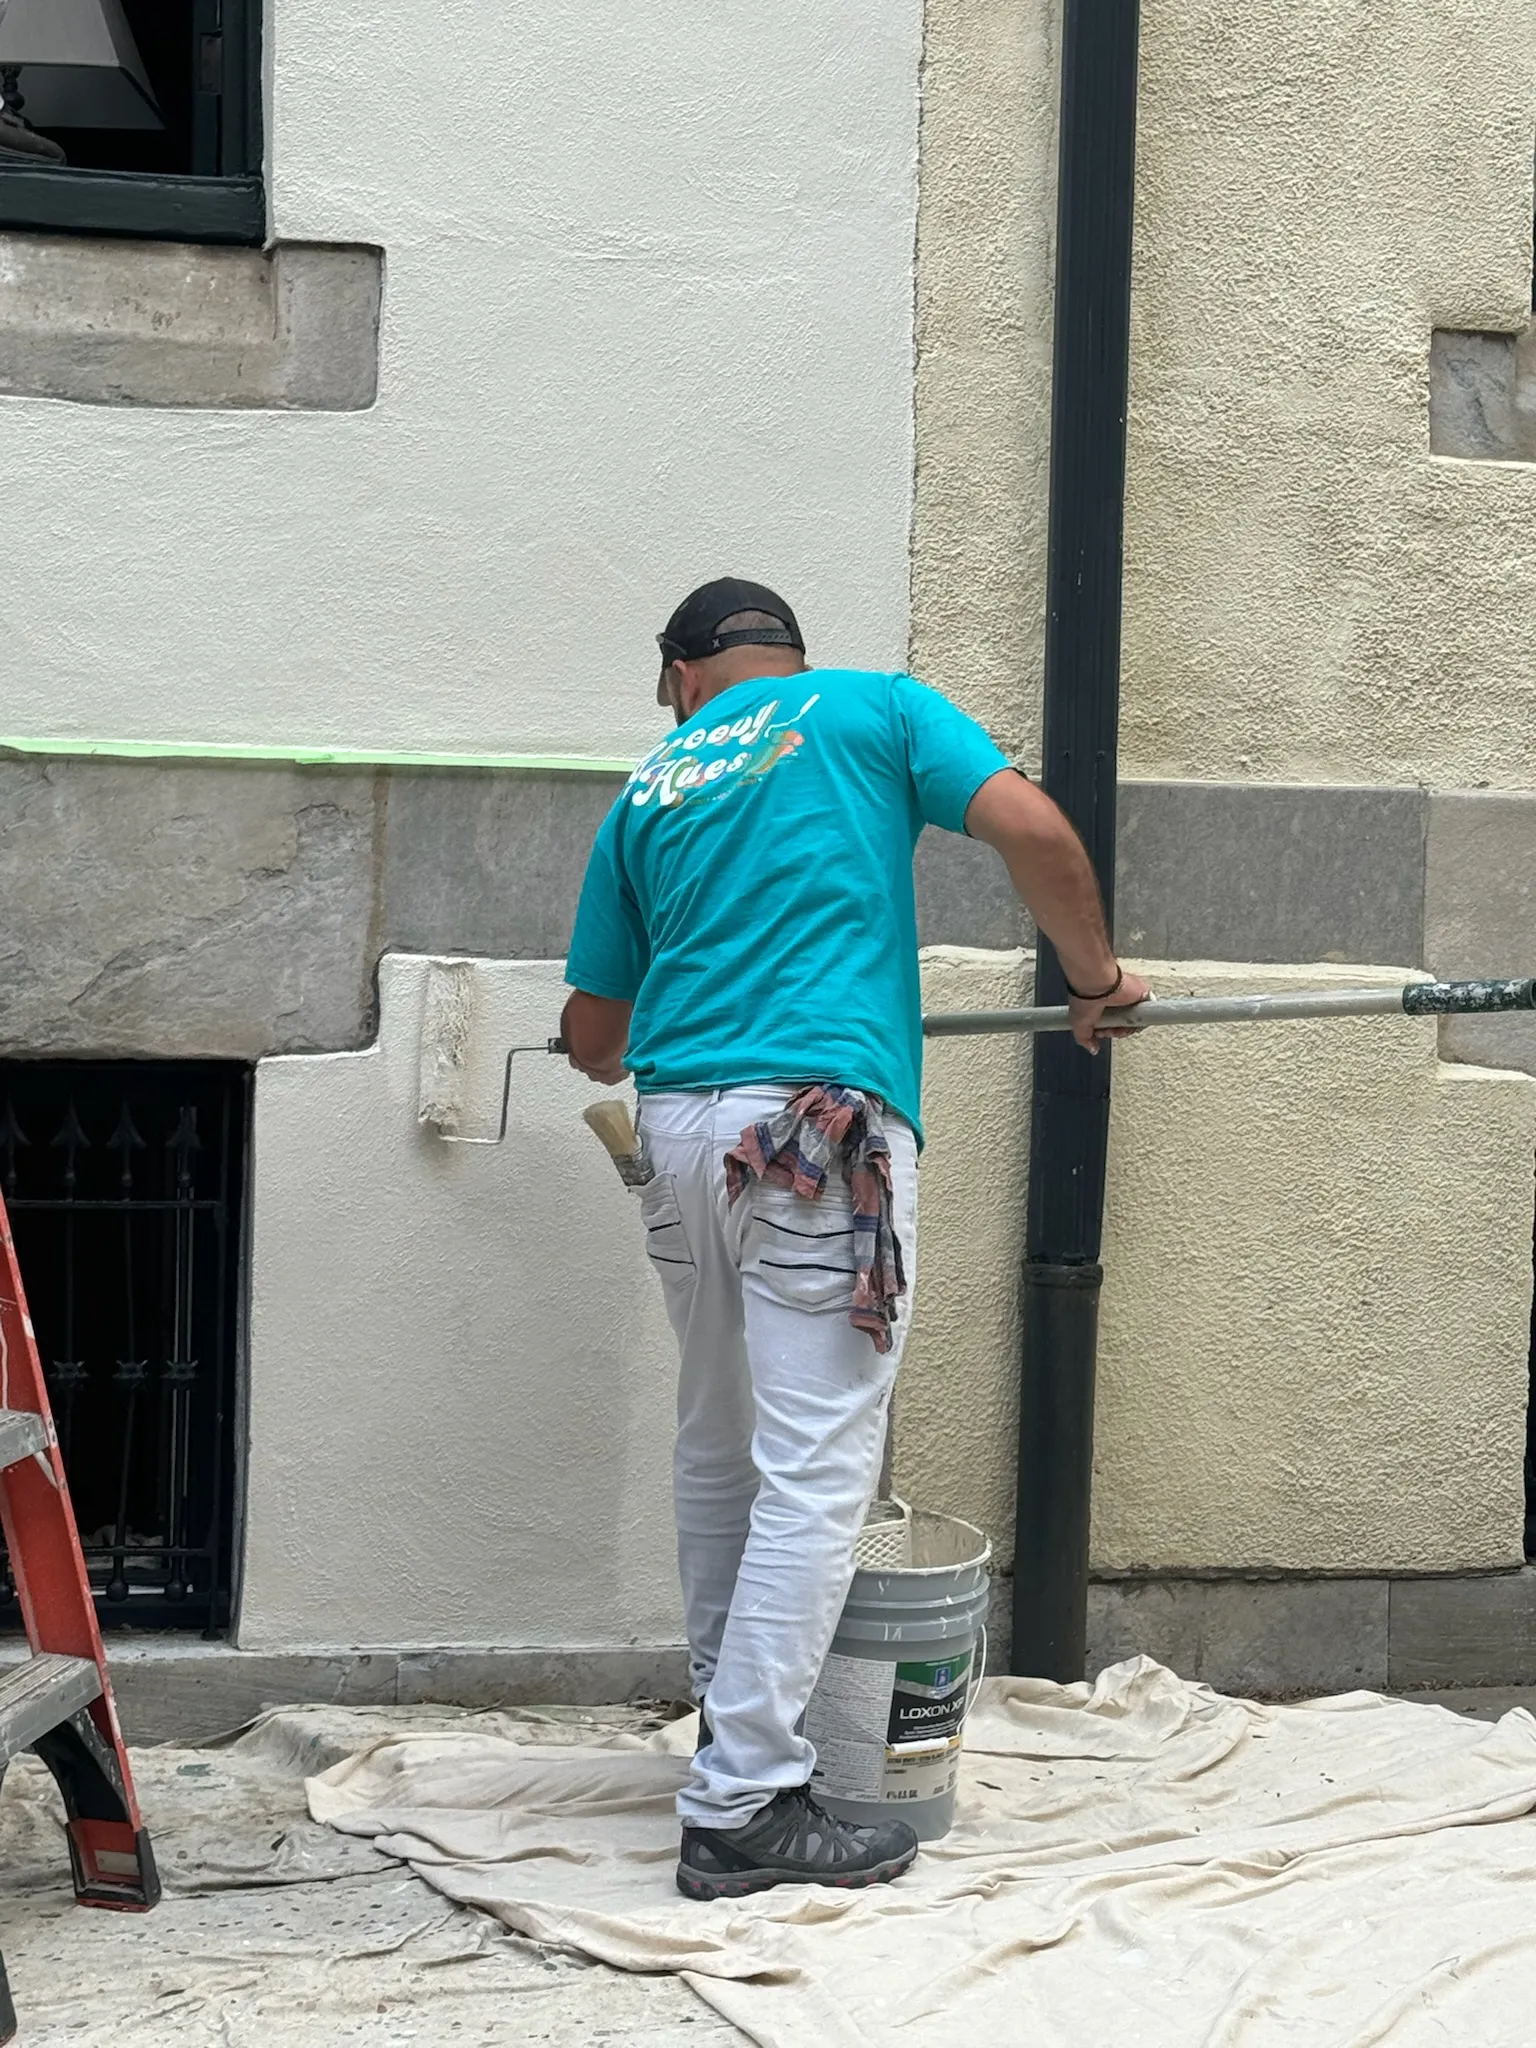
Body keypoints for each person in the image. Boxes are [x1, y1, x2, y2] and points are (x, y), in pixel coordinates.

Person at [561, 577, 1151, 1901]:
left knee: (717, 1443)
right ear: (787, 657)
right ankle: (744, 1800)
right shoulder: (876, 708)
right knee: (818, 1465)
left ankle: (728, 1735)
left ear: (683, 677)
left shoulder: (651, 785)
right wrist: (1097, 982)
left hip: (681, 1131)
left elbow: (595, 1037)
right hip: (815, 1131)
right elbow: (1032, 827)